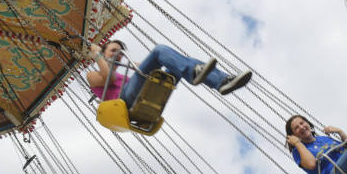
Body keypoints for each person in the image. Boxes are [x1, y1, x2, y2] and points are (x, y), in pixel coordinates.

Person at [87, 40, 252, 108]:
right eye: (114, 51)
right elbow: (110, 77)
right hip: (123, 101)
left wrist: (149, 65)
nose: (118, 54)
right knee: (160, 50)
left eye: (121, 52)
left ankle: (221, 82)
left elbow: (140, 74)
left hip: (142, 94)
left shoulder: (127, 76)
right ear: (103, 53)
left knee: (183, 62)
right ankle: (196, 75)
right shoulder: (92, 76)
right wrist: (97, 55)